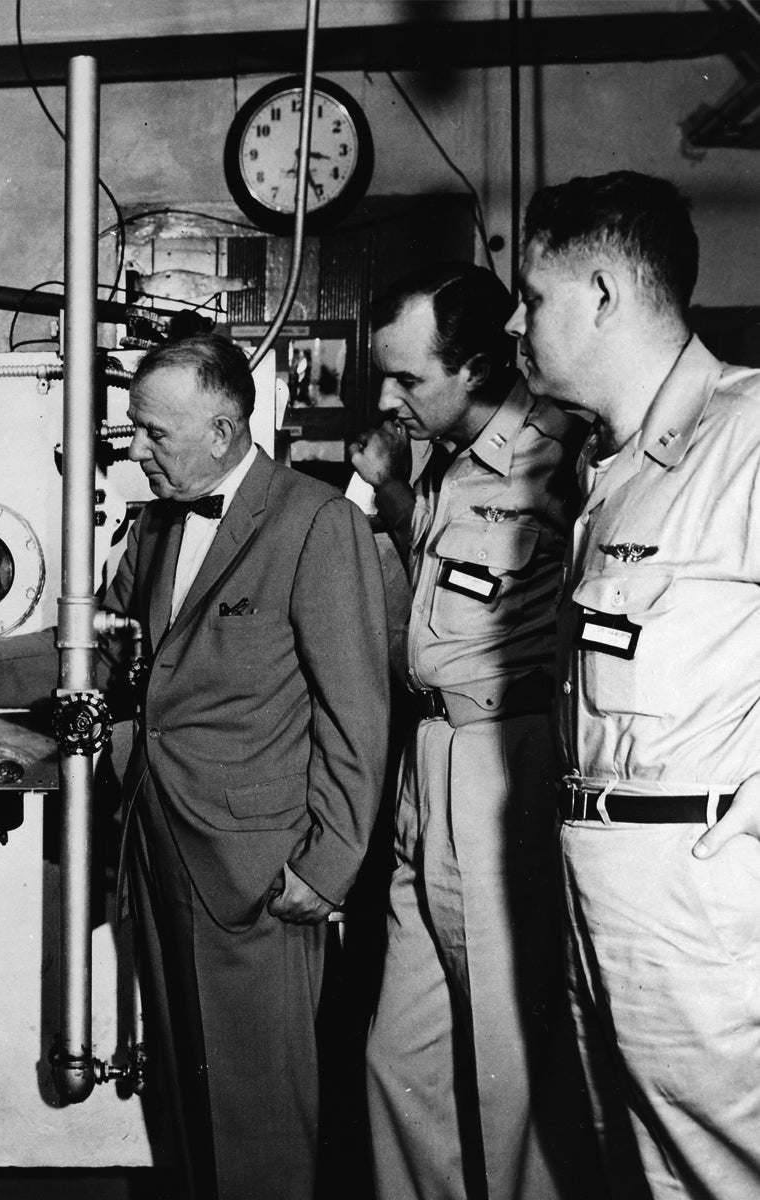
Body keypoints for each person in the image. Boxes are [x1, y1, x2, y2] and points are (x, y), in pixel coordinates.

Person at [0, 333, 389, 1199]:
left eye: (152, 434)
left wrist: (327, 866)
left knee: (262, 1114)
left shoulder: (318, 524)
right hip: (159, 848)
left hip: (258, 868)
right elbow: (105, 638)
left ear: (222, 429)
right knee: (184, 1098)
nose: (135, 451)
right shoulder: (160, 523)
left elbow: (358, 712)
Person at [507, 170, 760, 1199]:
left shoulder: (744, 438)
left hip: (696, 895)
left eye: (532, 297)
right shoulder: (615, 473)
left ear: (603, 292)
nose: (518, 325)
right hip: (600, 878)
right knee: (642, 1174)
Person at [349, 264, 598, 1200]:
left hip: (505, 762)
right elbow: (458, 587)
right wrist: (395, 497)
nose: (386, 398)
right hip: (428, 760)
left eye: (408, 379)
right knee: (399, 1055)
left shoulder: (559, 453)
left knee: (507, 1056)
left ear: (480, 366)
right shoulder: (446, 462)